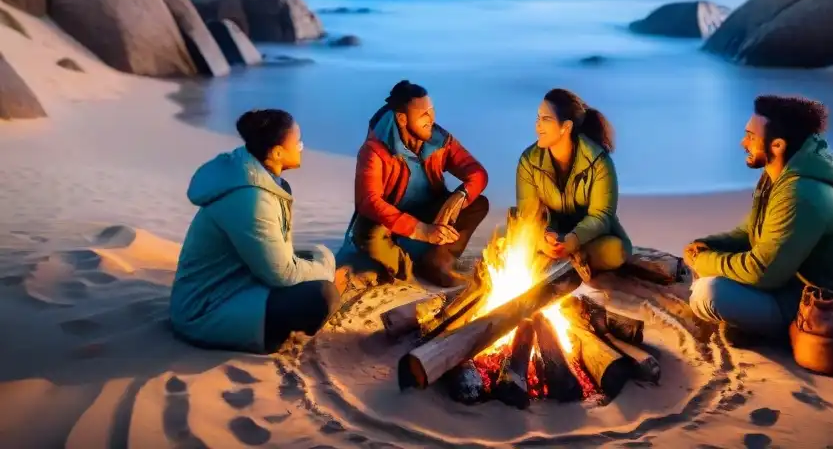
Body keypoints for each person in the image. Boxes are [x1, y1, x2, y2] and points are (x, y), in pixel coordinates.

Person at [683, 95, 833, 344]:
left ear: (777, 146)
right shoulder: (776, 177)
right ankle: (753, 325)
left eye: (751, 136)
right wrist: (707, 244)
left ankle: (765, 331)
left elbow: (763, 272)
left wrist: (704, 260)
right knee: (712, 277)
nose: (743, 142)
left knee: (708, 293)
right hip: (794, 288)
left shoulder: (801, 194)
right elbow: (748, 233)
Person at [170, 109, 341, 354]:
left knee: (314, 256)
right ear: (278, 152)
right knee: (323, 296)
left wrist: (320, 259)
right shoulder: (251, 198)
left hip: (239, 282)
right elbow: (281, 273)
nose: (302, 147)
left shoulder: (262, 179)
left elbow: (279, 256)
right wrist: (325, 270)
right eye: (298, 142)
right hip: (205, 310)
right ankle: (266, 338)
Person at [348, 80, 490, 287]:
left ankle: (440, 259)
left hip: (431, 210)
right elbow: (368, 201)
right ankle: (407, 268)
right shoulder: (375, 150)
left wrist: (460, 196)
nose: (431, 119)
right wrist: (421, 230)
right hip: (392, 220)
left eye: (432, 111)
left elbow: (477, 173)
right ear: (402, 118)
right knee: (369, 235)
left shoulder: (439, 140)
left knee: (478, 203)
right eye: (423, 114)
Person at [516, 88, 631, 272]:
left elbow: (601, 216)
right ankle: (563, 260)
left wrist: (573, 240)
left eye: (546, 119)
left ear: (566, 127)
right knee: (507, 237)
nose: (538, 126)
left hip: (590, 238)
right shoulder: (529, 161)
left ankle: (571, 260)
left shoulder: (598, 161)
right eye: (538, 118)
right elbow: (528, 214)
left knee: (615, 252)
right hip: (551, 235)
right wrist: (543, 238)